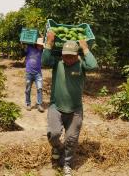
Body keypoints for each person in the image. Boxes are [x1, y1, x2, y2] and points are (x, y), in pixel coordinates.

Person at [42, 31, 98, 176]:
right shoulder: (57, 63)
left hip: (75, 110)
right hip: (56, 106)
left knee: (71, 139)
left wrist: (85, 48)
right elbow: (45, 61)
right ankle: (56, 147)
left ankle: (67, 163)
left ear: (76, 54)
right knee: (53, 134)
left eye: (71, 56)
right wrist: (49, 42)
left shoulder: (81, 65)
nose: (67, 58)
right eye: (65, 55)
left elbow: (93, 66)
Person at [24, 38, 45, 112]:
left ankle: (39, 104)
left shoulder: (42, 51)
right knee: (28, 89)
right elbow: (24, 50)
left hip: (38, 74)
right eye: (39, 45)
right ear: (36, 44)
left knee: (39, 88)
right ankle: (28, 104)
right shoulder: (30, 48)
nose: (41, 46)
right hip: (29, 72)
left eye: (42, 45)